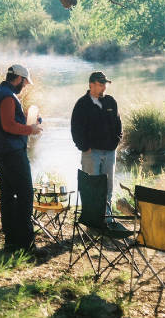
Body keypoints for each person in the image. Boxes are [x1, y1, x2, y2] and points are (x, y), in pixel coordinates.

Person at [0, 64, 43, 254]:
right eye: (25, 83)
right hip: (12, 153)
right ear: (18, 78)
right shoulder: (8, 97)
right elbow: (8, 126)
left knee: (9, 195)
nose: (25, 86)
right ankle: (26, 244)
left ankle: (11, 241)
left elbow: (8, 122)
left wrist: (27, 119)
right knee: (26, 194)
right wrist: (31, 129)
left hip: (1, 151)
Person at [71, 71, 122, 221]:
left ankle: (106, 220)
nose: (104, 88)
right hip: (91, 153)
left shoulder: (111, 101)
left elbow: (119, 125)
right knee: (92, 188)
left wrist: (115, 143)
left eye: (105, 84)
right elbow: (75, 128)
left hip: (110, 152)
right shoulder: (82, 104)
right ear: (91, 85)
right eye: (100, 84)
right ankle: (92, 221)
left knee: (108, 189)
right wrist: (84, 147)